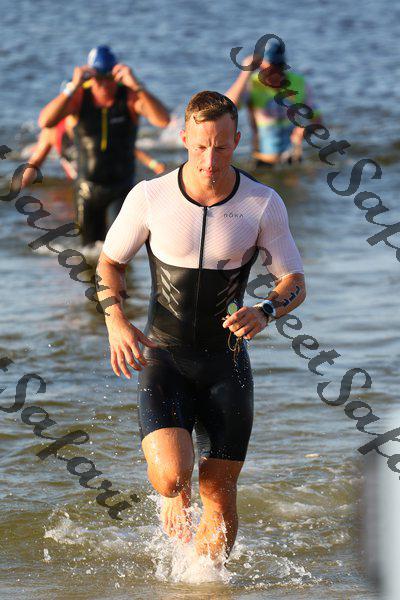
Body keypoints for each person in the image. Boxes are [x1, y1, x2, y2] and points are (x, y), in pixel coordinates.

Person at [96, 91, 306, 563]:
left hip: (225, 363)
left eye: (222, 147)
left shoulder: (262, 203)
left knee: (219, 490)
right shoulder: (150, 197)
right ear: (184, 138)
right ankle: (175, 493)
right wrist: (115, 321)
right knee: (172, 477)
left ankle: (207, 587)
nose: (210, 160)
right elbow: (109, 263)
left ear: (238, 140)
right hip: (164, 356)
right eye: (200, 147)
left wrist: (266, 310)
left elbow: (294, 281)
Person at [38, 45, 170, 245]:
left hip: (121, 188)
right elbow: (45, 121)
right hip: (86, 189)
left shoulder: (129, 97)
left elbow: (163, 120)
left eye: (108, 78)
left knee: (121, 246)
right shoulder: (80, 97)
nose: (104, 84)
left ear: (116, 76)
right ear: (90, 77)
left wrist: (137, 86)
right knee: (89, 251)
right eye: (98, 78)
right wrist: (72, 86)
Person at [226, 39, 321, 166]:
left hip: (292, 156)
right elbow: (227, 108)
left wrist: (305, 131)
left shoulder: (299, 82)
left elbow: (317, 119)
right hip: (263, 157)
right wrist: (245, 73)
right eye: (269, 70)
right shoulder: (253, 84)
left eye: (278, 68)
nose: (275, 75)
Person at [21, 118, 166, 188]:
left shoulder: (93, 121)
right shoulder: (52, 131)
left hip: (107, 179)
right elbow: (36, 161)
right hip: (78, 182)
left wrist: (154, 164)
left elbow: (125, 146)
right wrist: (22, 184)